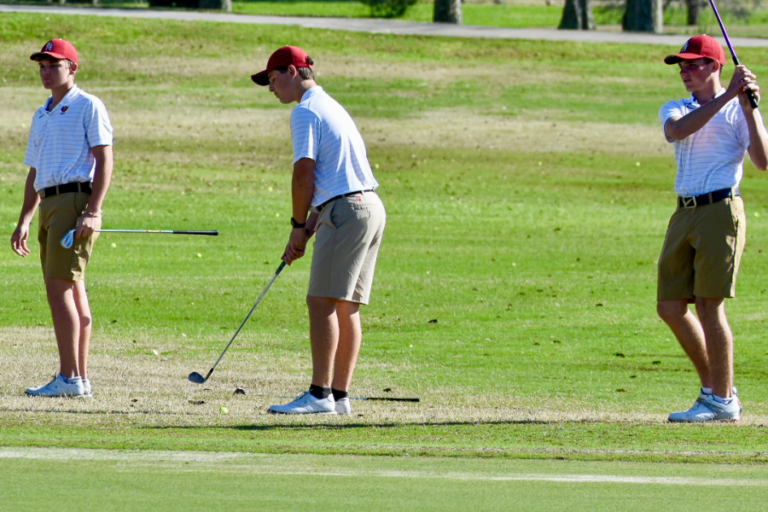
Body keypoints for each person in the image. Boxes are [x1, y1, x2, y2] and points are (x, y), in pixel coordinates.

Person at [251, 46, 386, 415]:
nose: (271, 88)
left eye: (273, 79)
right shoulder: (331, 105)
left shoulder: (306, 111)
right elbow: (334, 180)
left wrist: (297, 227)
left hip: (346, 211)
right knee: (346, 306)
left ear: (293, 72)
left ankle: (320, 394)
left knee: (321, 302)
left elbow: (304, 175)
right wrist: (309, 229)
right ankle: (339, 398)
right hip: (368, 208)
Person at [657, 35, 767, 422]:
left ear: (714, 66)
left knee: (708, 305)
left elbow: (763, 161)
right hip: (683, 211)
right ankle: (717, 392)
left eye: (693, 64)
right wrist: (729, 95)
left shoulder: (739, 111)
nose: (685, 71)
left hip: (721, 209)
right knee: (670, 307)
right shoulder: (676, 107)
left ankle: (720, 400)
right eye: (681, 66)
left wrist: (748, 105)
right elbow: (679, 130)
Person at [11, 39, 114, 397]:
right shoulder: (42, 114)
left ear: (73, 68)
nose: (45, 71)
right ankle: (78, 378)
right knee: (72, 290)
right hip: (49, 203)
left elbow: (105, 160)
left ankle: (69, 378)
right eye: (41, 65)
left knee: (59, 290)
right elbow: (35, 171)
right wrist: (24, 218)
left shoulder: (88, 105)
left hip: (74, 202)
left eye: (53, 65)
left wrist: (93, 210)